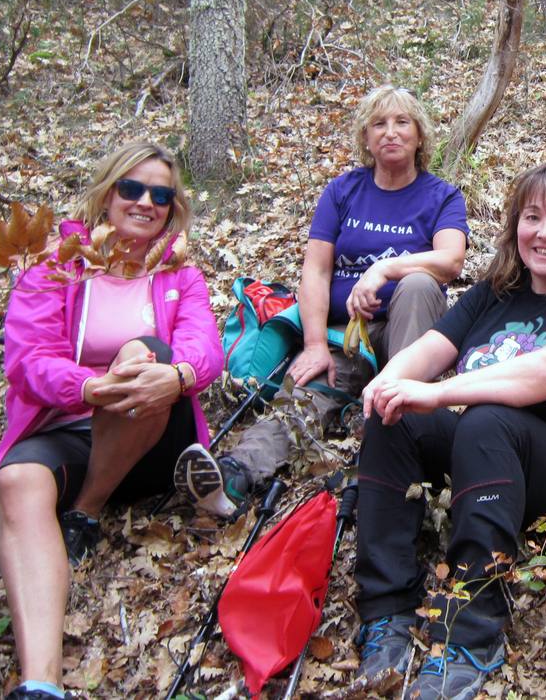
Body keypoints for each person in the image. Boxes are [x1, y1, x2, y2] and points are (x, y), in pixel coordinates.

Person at [351, 160, 546, 699]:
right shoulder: (497, 290)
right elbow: (430, 350)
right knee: (393, 417)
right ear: (514, 223)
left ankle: (473, 632)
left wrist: (440, 394)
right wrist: (387, 384)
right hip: (496, 462)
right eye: (533, 216)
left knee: (489, 417)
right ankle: (387, 611)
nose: (545, 232)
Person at [0, 142, 223, 700]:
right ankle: (40, 683)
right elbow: (27, 360)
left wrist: (180, 374)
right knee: (17, 481)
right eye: (133, 188)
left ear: (173, 207)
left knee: (144, 351)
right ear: (108, 190)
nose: (146, 202)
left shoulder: (178, 272)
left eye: (161, 195)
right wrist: (89, 387)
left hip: (153, 439)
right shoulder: (60, 261)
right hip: (70, 423)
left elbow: (205, 346)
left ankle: (87, 512)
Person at [174, 85, 468, 515]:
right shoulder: (343, 191)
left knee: (420, 284)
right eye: (378, 124)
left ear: (419, 135)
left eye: (402, 122)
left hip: (412, 332)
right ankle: (235, 473)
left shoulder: (441, 195)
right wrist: (314, 344)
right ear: (365, 139)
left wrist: (384, 269)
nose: (390, 133)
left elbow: (450, 260)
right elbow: (316, 270)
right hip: (345, 334)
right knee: (312, 392)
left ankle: (400, 423)